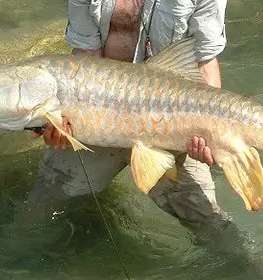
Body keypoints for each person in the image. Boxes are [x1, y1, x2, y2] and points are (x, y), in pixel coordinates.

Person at [28, 0, 232, 232]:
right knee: (39, 214)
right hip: (99, 114)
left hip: (171, 121)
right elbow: (85, 56)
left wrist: (210, 134)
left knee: (213, 228)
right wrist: (62, 122)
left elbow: (204, 61)